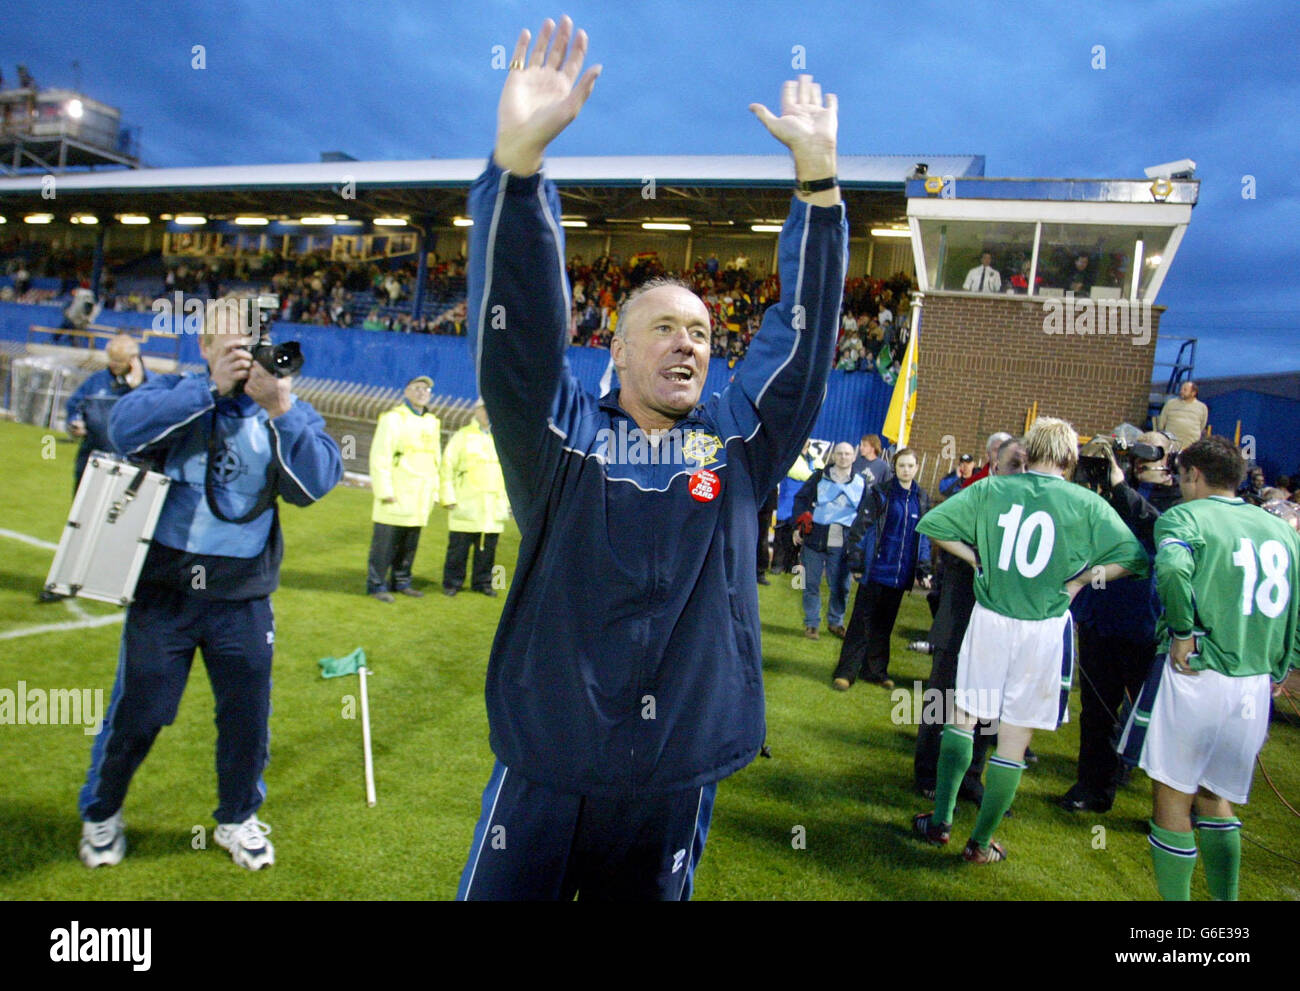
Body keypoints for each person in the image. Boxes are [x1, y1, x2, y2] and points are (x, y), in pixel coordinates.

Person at [456, 17, 846, 900]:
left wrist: (818, 190)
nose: (687, 345)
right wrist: (516, 175)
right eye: (662, 328)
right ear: (616, 355)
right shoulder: (562, 442)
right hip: (549, 765)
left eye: (702, 333)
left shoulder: (740, 446)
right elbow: (516, 348)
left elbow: (804, 342)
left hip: (677, 774)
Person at [77, 296, 342, 871]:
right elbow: (120, 430)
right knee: (139, 714)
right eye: (230, 346)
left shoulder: (283, 408)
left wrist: (281, 409)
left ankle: (238, 818)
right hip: (166, 593)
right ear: (203, 348)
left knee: (247, 721)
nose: (243, 358)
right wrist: (208, 392)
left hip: (242, 600)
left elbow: (316, 483)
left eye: (250, 345)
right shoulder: (175, 394)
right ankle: (101, 811)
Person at [911, 417, 1147, 863]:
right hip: (1042, 628)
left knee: (962, 717)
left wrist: (977, 558)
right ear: (1070, 459)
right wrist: (1080, 581)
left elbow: (935, 524)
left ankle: (940, 822)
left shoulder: (992, 488)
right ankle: (980, 844)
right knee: (1013, 737)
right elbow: (1134, 557)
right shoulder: (1086, 503)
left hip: (991, 619)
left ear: (1029, 451)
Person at [1118, 436, 1299, 900]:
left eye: (1181, 478)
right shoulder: (1280, 529)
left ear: (1195, 475)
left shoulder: (1185, 517)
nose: (1179, 487)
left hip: (1197, 674)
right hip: (1254, 683)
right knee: (1217, 798)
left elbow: (1173, 570)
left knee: (1172, 797)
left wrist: (1182, 629)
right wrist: (1285, 665)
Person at [1061, 434, 1179, 813]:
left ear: (1169, 457)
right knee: (1097, 710)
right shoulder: (1113, 493)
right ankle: (1093, 787)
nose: (1141, 457)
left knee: (1163, 718)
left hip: (1148, 625)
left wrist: (1121, 487)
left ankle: (1175, 807)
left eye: (1152, 449)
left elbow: (1158, 530)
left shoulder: (1176, 501)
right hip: (1101, 618)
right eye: (1136, 449)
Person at [913, 437, 1026, 804]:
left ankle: (972, 776)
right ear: (995, 463)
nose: (1021, 473)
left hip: (999, 627)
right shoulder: (978, 494)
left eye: (1027, 465)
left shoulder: (1031, 510)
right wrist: (977, 558)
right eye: (1014, 465)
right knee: (942, 697)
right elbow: (933, 524)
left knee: (988, 704)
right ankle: (928, 772)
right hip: (960, 617)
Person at [832, 448, 931, 690]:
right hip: (875, 572)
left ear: (917, 468)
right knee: (861, 624)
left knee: (883, 627)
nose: (906, 470)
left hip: (899, 577)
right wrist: (856, 562)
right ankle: (845, 673)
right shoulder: (880, 494)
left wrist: (923, 569)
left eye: (910, 466)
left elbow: (924, 536)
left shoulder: (922, 498)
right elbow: (860, 529)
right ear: (894, 468)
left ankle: (875, 671)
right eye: (901, 466)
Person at [366, 375, 442, 602]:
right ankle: (377, 585)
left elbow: (435, 459)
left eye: (426, 390)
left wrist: (434, 490)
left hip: (420, 494)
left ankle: (401, 581)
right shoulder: (392, 419)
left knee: (409, 544)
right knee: (385, 544)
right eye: (417, 388)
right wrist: (384, 490)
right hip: (398, 492)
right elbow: (380, 456)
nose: (422, 392)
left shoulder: (432, 422)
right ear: (406, 391)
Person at [793, 442, 864, 640]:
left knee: (841, 585)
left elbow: (866, 514)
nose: (843, 457)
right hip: (815, 537)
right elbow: (800, 500)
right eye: (839, 453)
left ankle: (836, 622)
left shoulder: (861, 483)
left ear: (854, 457)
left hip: (842, 540)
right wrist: (797, 525)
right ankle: (812, 624)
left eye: (847, 454)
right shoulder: (818, 477)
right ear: (833, 456)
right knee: (811, 583)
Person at [440, 398, 509, 598]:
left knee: (487, 551)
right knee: (458, 550)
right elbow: (447, 467)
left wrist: (508, 502)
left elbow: (509, 474)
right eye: (484, 408)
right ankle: (452, 583)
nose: (488, 413)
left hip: (492, 506)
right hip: (466, 503)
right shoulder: (462, 437)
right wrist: (448, 496)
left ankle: (483, 583)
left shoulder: (502, 438)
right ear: (476, 410)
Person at [64, 332, 147, 491]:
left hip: (131, 463)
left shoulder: (151, 385)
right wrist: (75, 422)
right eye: (111, 359)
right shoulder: (96, 381)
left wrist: (137, 385)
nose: (114, 364)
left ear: (133, 360)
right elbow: (74, 405)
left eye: (119, 360)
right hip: (92, 458)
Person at [772, 440, 820, 575]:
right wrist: (813, 476)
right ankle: (777, 564)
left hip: (803, 505)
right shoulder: (790, 455)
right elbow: (798, 472)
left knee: (799, 536)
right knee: (781, 536)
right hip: (787, 503)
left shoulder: (814, 457)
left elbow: (820, 471)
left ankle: (792, 564)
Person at [1155, 380, 1208, 450]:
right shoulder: (1171, 403)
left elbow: (1202, 426)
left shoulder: (1202, 407)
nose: (1181, 391)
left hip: (1191, 445)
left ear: (1193, 393)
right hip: (1171, 444)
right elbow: (1161, 424)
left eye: (1185, 390)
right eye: (1181, 389)